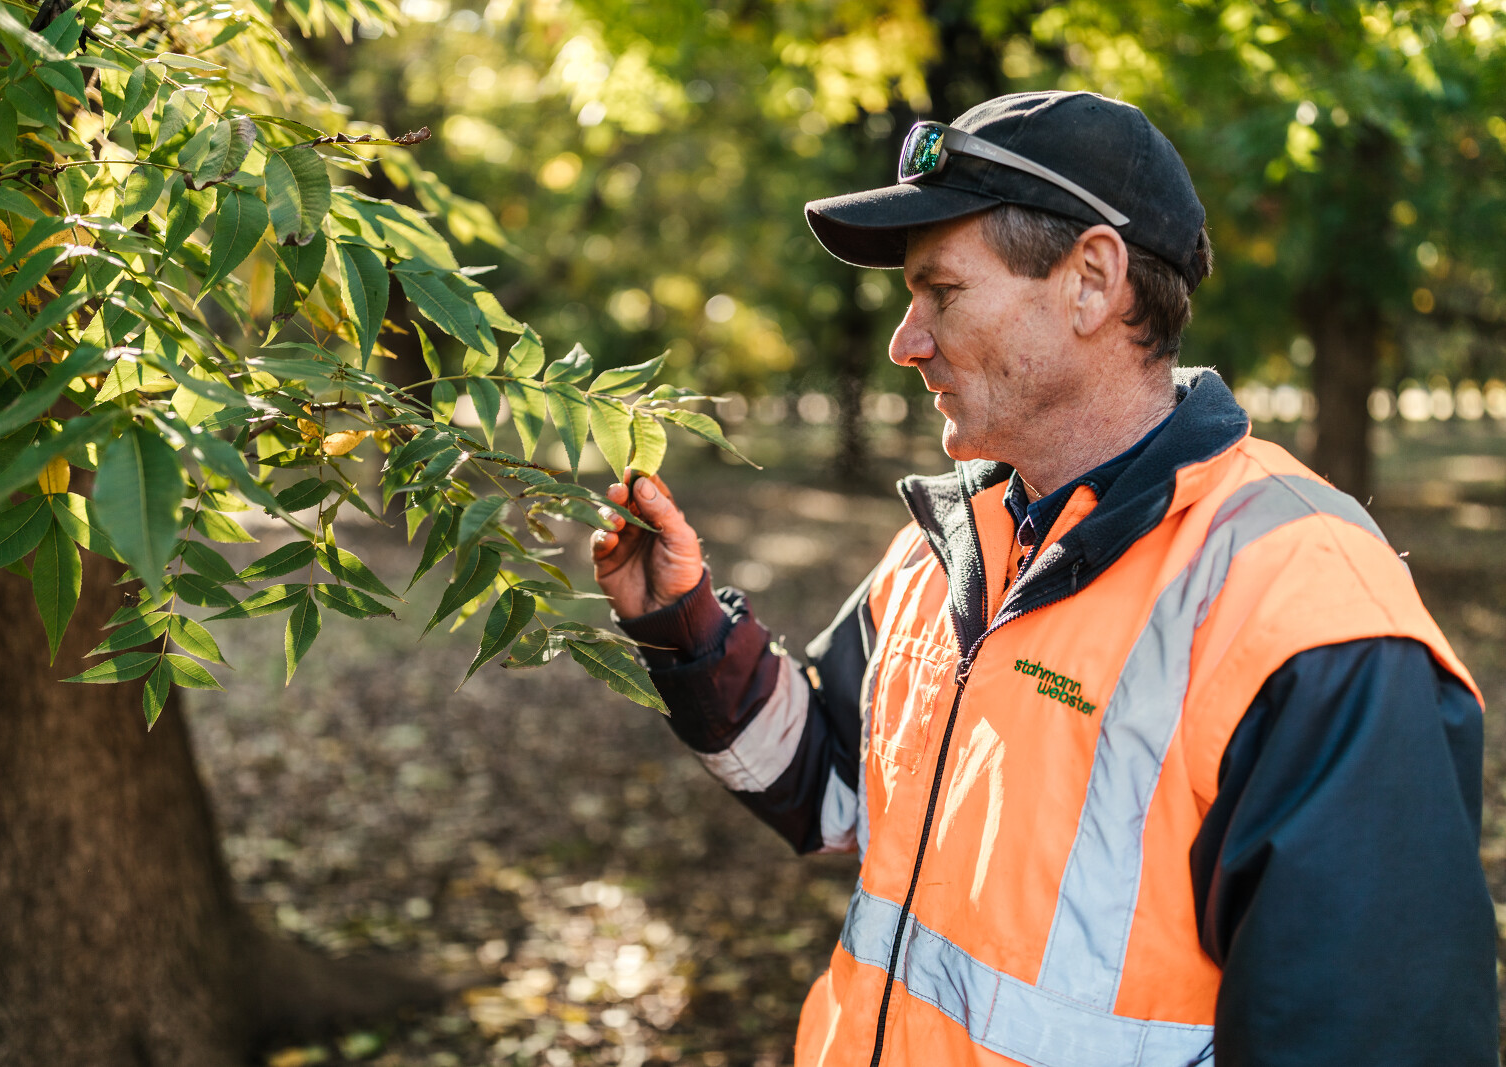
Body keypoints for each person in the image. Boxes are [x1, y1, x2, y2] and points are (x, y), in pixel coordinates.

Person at [589, 90, 1497, 1066]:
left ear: (1091, 281)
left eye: (941, 291)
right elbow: (832, 780)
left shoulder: (1307, 607)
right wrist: (685, 624)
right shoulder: (952, 545)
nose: (906, 341)